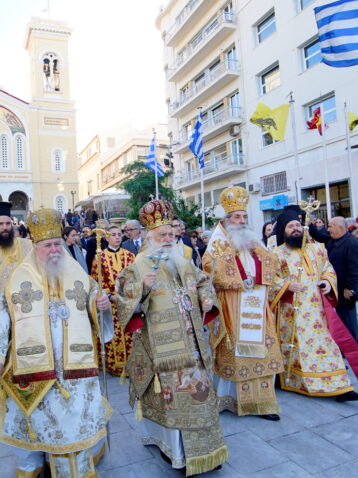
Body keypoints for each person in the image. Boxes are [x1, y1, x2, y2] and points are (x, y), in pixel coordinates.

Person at [0, 208, 111, 478]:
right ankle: (34, 464)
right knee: (35, 419)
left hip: (74, 368)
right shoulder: (19, 277)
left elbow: (94, 299)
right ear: (36, 247)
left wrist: (99, 304)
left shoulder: (78, 273)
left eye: (58, 243)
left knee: (72, 423)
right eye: (47, 245)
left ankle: (75, 470)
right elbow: (2, 315)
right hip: (35, 365)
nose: (54, 250)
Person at [115, 199, 229, 475]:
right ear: (148, 236)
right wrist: (141, 289)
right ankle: (176, 452)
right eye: (161, 235)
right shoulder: (139, 265)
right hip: (163, 348)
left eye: (170, 233)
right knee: (174, 399)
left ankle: (208, 450)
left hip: (192, 344)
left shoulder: (183, 259)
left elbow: (202, 281)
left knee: (200, 396)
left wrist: (205, 298)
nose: (168, 238)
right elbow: (122, 299)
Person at [202, 187, 283, 420]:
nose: (242, 221)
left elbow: (272, 262)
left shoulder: (253, 239)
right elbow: (209, 268)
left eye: (244, 216)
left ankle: (263, 403)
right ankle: (231, 400)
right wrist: (232, 253)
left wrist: (256, 253)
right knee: (238, 351)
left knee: (261, 349)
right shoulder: (219, 241)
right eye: (237, 217)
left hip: (256, 303)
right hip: (233, 303)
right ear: (226, 220)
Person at [271, 207, 358, 401]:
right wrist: (287, 285)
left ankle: (342, 387)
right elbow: (271, 279)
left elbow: (327, 269)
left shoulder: (317, 248)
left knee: (329, 346)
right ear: (283, 230)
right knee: (300, 351)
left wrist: (327, 282)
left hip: (318, 311)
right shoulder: (276, 254)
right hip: (292, 314)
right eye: (291, 226)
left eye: (298, 225)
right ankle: (296, 381)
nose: (296, 229)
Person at [310, 217, 358, 343]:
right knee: (340, 319)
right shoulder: (332, 240)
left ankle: (352, 347)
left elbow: (357, 268)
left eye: (330, 226)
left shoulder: (351, 243)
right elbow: (319, 236)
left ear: (340, 227)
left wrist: (351, 287)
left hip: (345, 288)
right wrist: (308, 222)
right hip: (335, 286)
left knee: (348, 319)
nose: (328, 230)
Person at [90, 225, 135, 376]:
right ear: (107, 237)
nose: (117, 237)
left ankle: (132, 365)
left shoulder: (130, 256)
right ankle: (113, 366)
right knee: (113, 334)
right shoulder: (99, 257)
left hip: (127, 303)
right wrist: (109, 296)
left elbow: (135, 278)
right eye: (113, 235)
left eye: (119, 234)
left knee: (130, 334)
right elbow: (96, 282)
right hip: (110, 305)